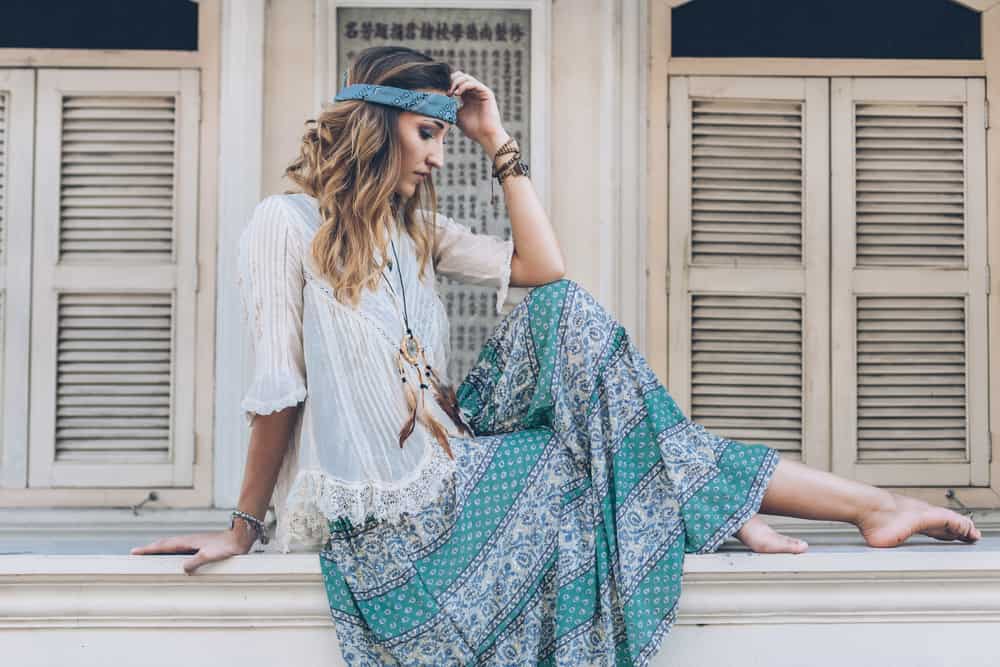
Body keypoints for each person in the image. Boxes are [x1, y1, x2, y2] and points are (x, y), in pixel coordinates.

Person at [131, 45, 981, 666]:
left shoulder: (417, 234)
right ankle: (799, 506)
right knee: (598, 374)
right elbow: (277, 390)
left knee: (567, 316)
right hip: (397, 524)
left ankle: (785, 504)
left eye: (442, 137)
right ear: (376, 125)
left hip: (461, 465)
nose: (435, 157)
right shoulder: (283, 225)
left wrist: (494, 137)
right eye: (427, 135)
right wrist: (243, 526)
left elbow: (544, 267)